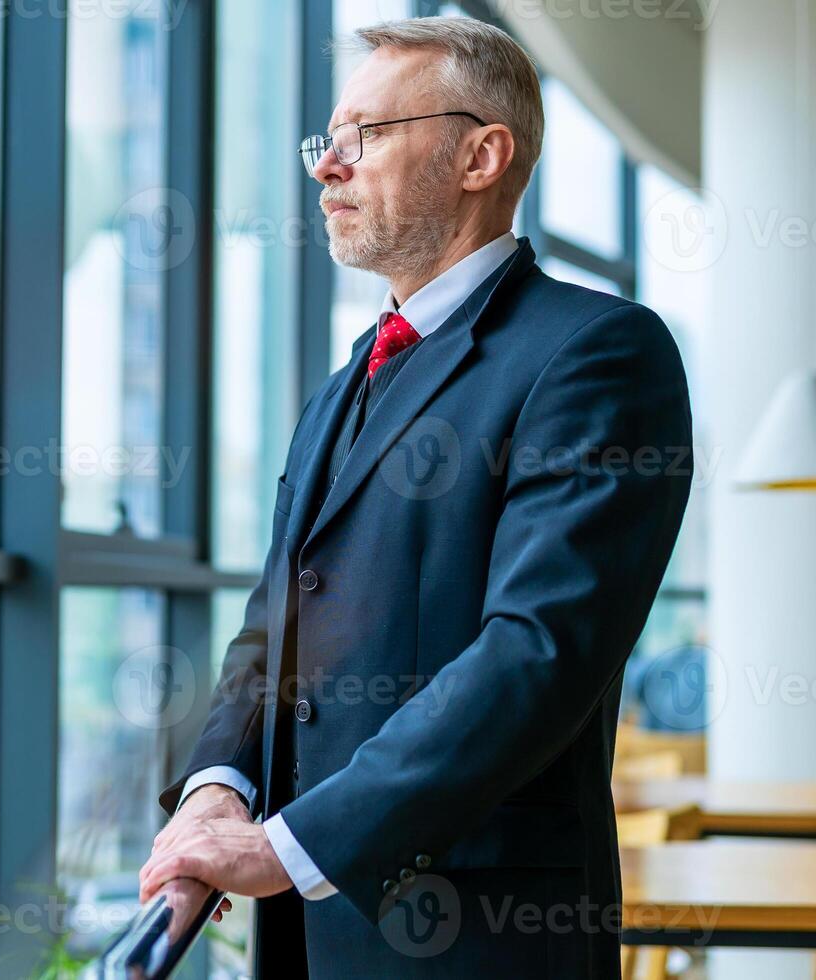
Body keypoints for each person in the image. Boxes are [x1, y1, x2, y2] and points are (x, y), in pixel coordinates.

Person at [138, 14, 694, 977]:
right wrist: (216, 786)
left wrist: (287, 845)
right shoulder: (350, 377)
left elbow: (537, 654)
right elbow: (279, 620)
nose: (327, 168)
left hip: (480, 939)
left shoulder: (598, 353)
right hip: (310, 937)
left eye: (365, 136)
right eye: (327, 139)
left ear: (482, 155)